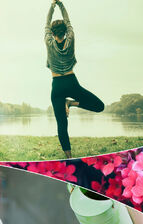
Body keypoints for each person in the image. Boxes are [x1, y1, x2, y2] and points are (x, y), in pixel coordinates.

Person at [45, 0, 104, 158]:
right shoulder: (71, 38)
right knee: (99, 106)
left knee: (62, 125)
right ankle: (72, 103)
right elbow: (68, 22)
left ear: (52, 33)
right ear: (65, 31)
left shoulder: (48, 41)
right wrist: (61, 4)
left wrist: (52, 5)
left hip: (57, 86)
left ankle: (69, 157)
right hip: (72, 83)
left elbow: (46, 23)